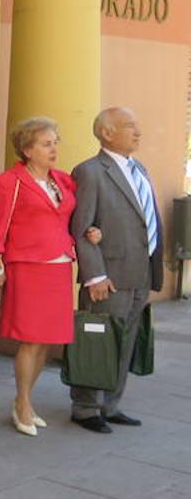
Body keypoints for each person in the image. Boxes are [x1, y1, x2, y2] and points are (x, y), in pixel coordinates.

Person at [68, 107, 163, 433]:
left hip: (139, 273)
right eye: (129, 126)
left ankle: (110, 404)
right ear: (107, 132)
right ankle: (85, 407)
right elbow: (82, 228)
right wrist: (95, 274)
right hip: (107, 277)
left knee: (125, 342)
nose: (138, 132)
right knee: (98, 342)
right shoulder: (90, 171)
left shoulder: (139, 169)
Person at [0, 117, 78, 436]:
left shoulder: (63, 181)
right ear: (27, 149)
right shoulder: (10, 181)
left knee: (46, 340)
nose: (54, 148)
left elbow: (71, 218)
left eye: (55, 142)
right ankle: (22, 403)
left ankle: (26, 400)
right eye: (46, 143)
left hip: (60, 264)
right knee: (29, 338)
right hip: (27, 265)